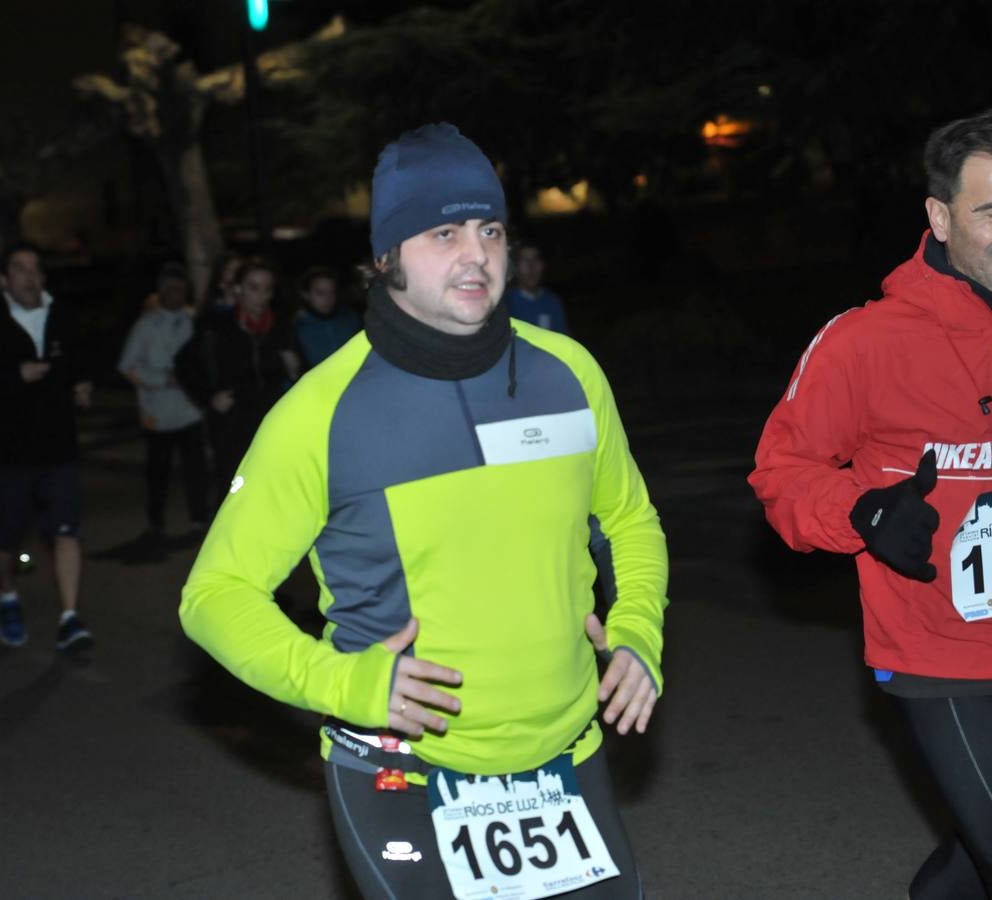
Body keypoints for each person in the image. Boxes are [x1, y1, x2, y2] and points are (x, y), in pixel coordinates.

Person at [180, 123, 667, 899]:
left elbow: (630, 521)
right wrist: (343, 685)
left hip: (567, 757)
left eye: (491, 230)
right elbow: (215, 597)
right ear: (385, 258)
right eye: (443, 232)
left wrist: (639, 633)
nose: (476, 254)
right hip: (398, 767)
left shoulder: (570, 373)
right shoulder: (319, 414)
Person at [750, 108, 992, 899]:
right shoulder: (864, 342)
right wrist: (865, 513)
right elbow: (781, 474)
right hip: (937, 653)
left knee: (979, 865)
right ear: (939, 216)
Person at [0, 240, 94, 651]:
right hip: (6, 455)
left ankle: (70, 617)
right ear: (3, 280)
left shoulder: (64, 318)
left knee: (67, 530)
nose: (30, 278)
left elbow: (83, 358)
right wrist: (14, 375)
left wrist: (84, 382)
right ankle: (7, 596)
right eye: (20, 270)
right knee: (5, 537)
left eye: (36, 269)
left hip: (59, 449)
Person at [174, 259, 300, 490]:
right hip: (231, 424)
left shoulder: (282, 326)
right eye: (254, 287)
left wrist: (294, 369)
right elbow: (184, 365)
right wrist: (209, 397)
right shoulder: (217, 327)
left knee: (273, 487)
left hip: (272, 420)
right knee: (234, 489)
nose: (261, 296)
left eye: (267, 289)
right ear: (238, 289)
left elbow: (300, 372)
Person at [118, 261, 208, 540]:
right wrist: (159, 380)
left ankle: (199, 518)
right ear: (161, 291)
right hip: (157, 414)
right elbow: (127, 366)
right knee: (159, 472)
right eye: (170, 289)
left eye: (181, 289)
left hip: (191, 410)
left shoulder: (194, 321)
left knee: (196, 469)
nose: (175, 295)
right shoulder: (146, 325)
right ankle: (155, 522)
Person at [293, 266, 361, 368]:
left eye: (331, 292)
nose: (328, 298)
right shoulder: (297, 327)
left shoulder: (350, 319)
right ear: (306, 295)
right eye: (320, 293)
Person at [503, 242, 568, 334]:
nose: (531, 266)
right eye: (524, 260)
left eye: (535, 259)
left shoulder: (552, 301)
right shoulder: (505, 303)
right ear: (515, 267)